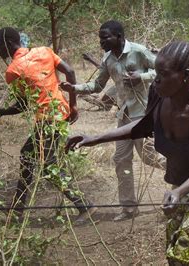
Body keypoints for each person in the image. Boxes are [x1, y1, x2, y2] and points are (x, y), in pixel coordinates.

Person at [66, 41, 189, 265]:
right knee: (174, 255)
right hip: (181, 185)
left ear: (185, 75)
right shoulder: (158, 95)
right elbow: (143, 126)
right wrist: (94, 138)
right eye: (157, 73)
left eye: (163, 75)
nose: (156, 79)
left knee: (188, 251)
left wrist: (179, 192)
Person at [0, 27, 96, 224]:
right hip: (60, 114)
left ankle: (84, 205)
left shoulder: (13, 70)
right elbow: (70, 72)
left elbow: (22, 105)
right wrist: (73, 105)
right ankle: (18, 207)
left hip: (48, 120)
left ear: (9, 44)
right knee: (27, 155)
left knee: (47, 167)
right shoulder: (44, 51)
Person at [60, 20, 165, 222]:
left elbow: (161, 70)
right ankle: (128, 207)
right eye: (100, 38)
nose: (101, 42)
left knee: (149, 157)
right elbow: (97, 85)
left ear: (119, 36)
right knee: (120, 159)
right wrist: (74, 88)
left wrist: (141, 76)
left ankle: (185, 174)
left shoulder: (138, 51)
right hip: (124, 115)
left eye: (105, 37)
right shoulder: (108, 58)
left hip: (143, 113)